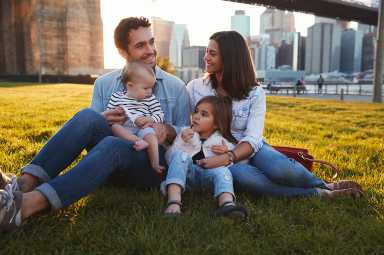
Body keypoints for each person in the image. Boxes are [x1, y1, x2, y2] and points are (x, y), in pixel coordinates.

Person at [0, 16, 191, 232]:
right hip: (109, 160)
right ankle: (24, 184)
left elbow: (188, 136)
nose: (150, 50)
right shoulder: (104, 83)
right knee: (88, 117)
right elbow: (92, 130)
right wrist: (104, 118)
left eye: (151, 42)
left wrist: (168, 130)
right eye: (140, 45)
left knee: (112, 144)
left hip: (151, 165)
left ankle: (25, 206)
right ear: (123, 52)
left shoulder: (176, 87)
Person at [186, 30, 363, 199]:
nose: (206, 57)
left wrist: (230, 156)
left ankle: (325, 184)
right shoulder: (195, 87)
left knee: (281, 170)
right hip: (214, 151)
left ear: (230, 58)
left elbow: (254, 138)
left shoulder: (254, 92)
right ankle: (320, 194)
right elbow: (186, 126)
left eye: (212, 53)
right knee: (246, 179)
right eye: (207, 52)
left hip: (249, 147)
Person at [162, 96, 247, 219]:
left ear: (217, 124)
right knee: (181, 155)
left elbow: (240, 162)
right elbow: (170, 159)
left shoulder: (222, 142)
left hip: (209, 181)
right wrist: (181, 141)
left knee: (223, 170)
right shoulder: (185, 134)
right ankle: (174, 202)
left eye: (204, 114)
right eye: (196, 111)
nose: (196, 116)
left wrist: (226, 154)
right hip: (187, 177)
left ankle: (227, 203)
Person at [107, 61, 165, 174]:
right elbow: (109, 114)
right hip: (125, 128)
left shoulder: (150, 99)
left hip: (143, 128)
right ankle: (138, 142)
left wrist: (150, 119)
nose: (150, 91)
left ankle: (155, 163)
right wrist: (116, 112)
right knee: (115, 127)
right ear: (130, 86)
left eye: (151, 88)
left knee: (151, 135)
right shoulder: (117, 97)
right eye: (146, 88)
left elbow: (160, 114)